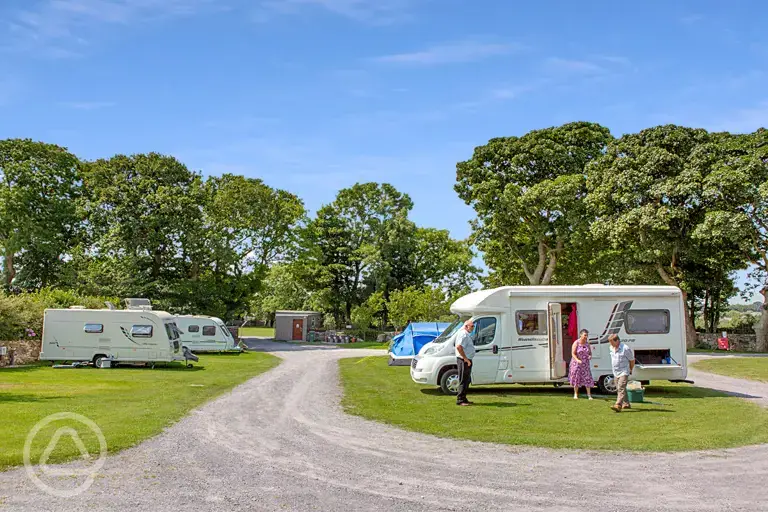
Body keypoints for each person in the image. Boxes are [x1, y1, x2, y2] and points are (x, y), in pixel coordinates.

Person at [609, 334, 635, 412]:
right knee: (619, 389)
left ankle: (618, 405)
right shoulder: (611, 348)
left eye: (612, 342)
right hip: (615, 371)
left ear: (617, 341)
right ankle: (626, 403)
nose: (611, 344)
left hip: (624, 371)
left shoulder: (625, 348)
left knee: (621, 387)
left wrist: (630, 369)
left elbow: (632, 360)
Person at [454, 318, 475, 406]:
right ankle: (460, 400)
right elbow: (459, 347)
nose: (473, 328)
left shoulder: (465, 334)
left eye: (473, 326)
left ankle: (464, 398)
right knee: (463, 380)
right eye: (472, 326)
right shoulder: (463, 335)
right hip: (464, 360)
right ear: (466, 326)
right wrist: (466, 359)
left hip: (466, 360)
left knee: (467, 380)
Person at [569, 329, 594, 399]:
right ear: (581, 335)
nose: (586, 337)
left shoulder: (587, 343)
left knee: (587, 378)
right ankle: (576, 394)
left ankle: (589, 395)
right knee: (576, 378)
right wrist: (577, 360)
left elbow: (590, 353)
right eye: (585, 335)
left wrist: (590, 356)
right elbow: (573, 353)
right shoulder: (576, 343)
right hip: (576, 364)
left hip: (585, 364)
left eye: (587, 335)